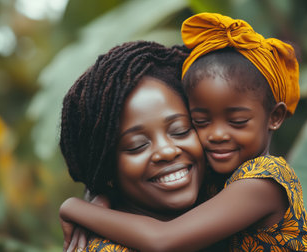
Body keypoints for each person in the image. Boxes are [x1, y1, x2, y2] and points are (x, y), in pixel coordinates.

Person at [60, 13, 307, 251]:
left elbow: (163, 239)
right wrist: (102, 195)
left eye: (181, 130)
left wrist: (76, 208)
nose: (217, 134)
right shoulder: (221, 179)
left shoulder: (264, 179)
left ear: (275, 117)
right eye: (201, 122)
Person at [58, 41, 208, 252]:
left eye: (180, 130)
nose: (166, 151)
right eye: (137, 146)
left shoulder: (235, 188)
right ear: (108, 168)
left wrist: (81, 207)